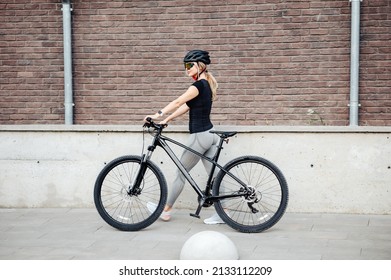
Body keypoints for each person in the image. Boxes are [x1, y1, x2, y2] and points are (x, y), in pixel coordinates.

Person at [144, 50, 224, 224]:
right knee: (215, 175)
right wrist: (167, 119)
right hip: (211, 134)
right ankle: (222, 214)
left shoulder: (196, 86)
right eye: (185, 66)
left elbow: (178, 102)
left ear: (200, 66)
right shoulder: (206, 85)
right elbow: (187, 106)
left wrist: (158, 114)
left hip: (199, 136)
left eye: (189, 65)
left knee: (181, 173)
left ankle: (165, 210)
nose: (186, 69)